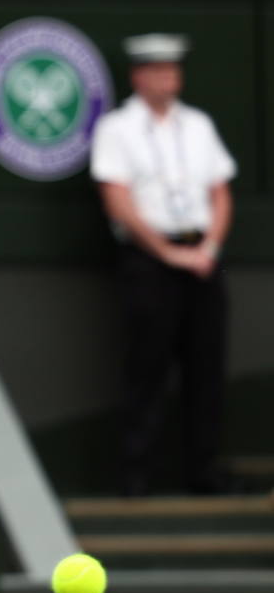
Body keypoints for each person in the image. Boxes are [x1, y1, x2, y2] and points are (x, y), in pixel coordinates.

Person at [90, 33, 236, 496]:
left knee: (206, 368)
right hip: (149, 262)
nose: (167, 77)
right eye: (157, 70)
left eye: (173, 70)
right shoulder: (116, 128)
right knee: (146, 368)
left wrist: (209, 248)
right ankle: (136, 477)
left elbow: (220, 192)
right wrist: (167, 252)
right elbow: (118, 201)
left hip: (202, 261)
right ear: (138, 76)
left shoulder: (198, 125)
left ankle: (204, 472)